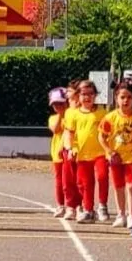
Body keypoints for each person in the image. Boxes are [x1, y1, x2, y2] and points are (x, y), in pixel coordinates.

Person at [64, 79, 110, 223]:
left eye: (90, 94)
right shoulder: (73, 114)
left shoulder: (102, 113)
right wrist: (70, 148)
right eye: (84, 94)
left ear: (95, 95)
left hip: (100, 153)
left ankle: (102, 206)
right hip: (82, 154)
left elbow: (109, 132)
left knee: (102, 176)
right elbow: (69, 133)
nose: (87, 97)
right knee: (85, 183)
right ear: (78, 96)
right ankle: (89, 210)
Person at [99, 80, 132, 228]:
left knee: (131, 186)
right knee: (118, 186)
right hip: (115, 157)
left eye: (129, 97)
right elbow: (102, 136)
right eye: (122, 97)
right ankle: (120, 214)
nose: (125, 100)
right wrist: (109, 151)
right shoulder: (110, 118)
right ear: (116, 98)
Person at [48, 88, 75, 217]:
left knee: (70, 180)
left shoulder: (72, 116)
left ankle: (73, 205)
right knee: (59, 181)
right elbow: (55, 129)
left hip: (68, 152)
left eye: (61, 103)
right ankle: (60, 205)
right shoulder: (53, 118)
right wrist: (60, 114)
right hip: (57, 153)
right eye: (55, 104)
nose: (58, 106)